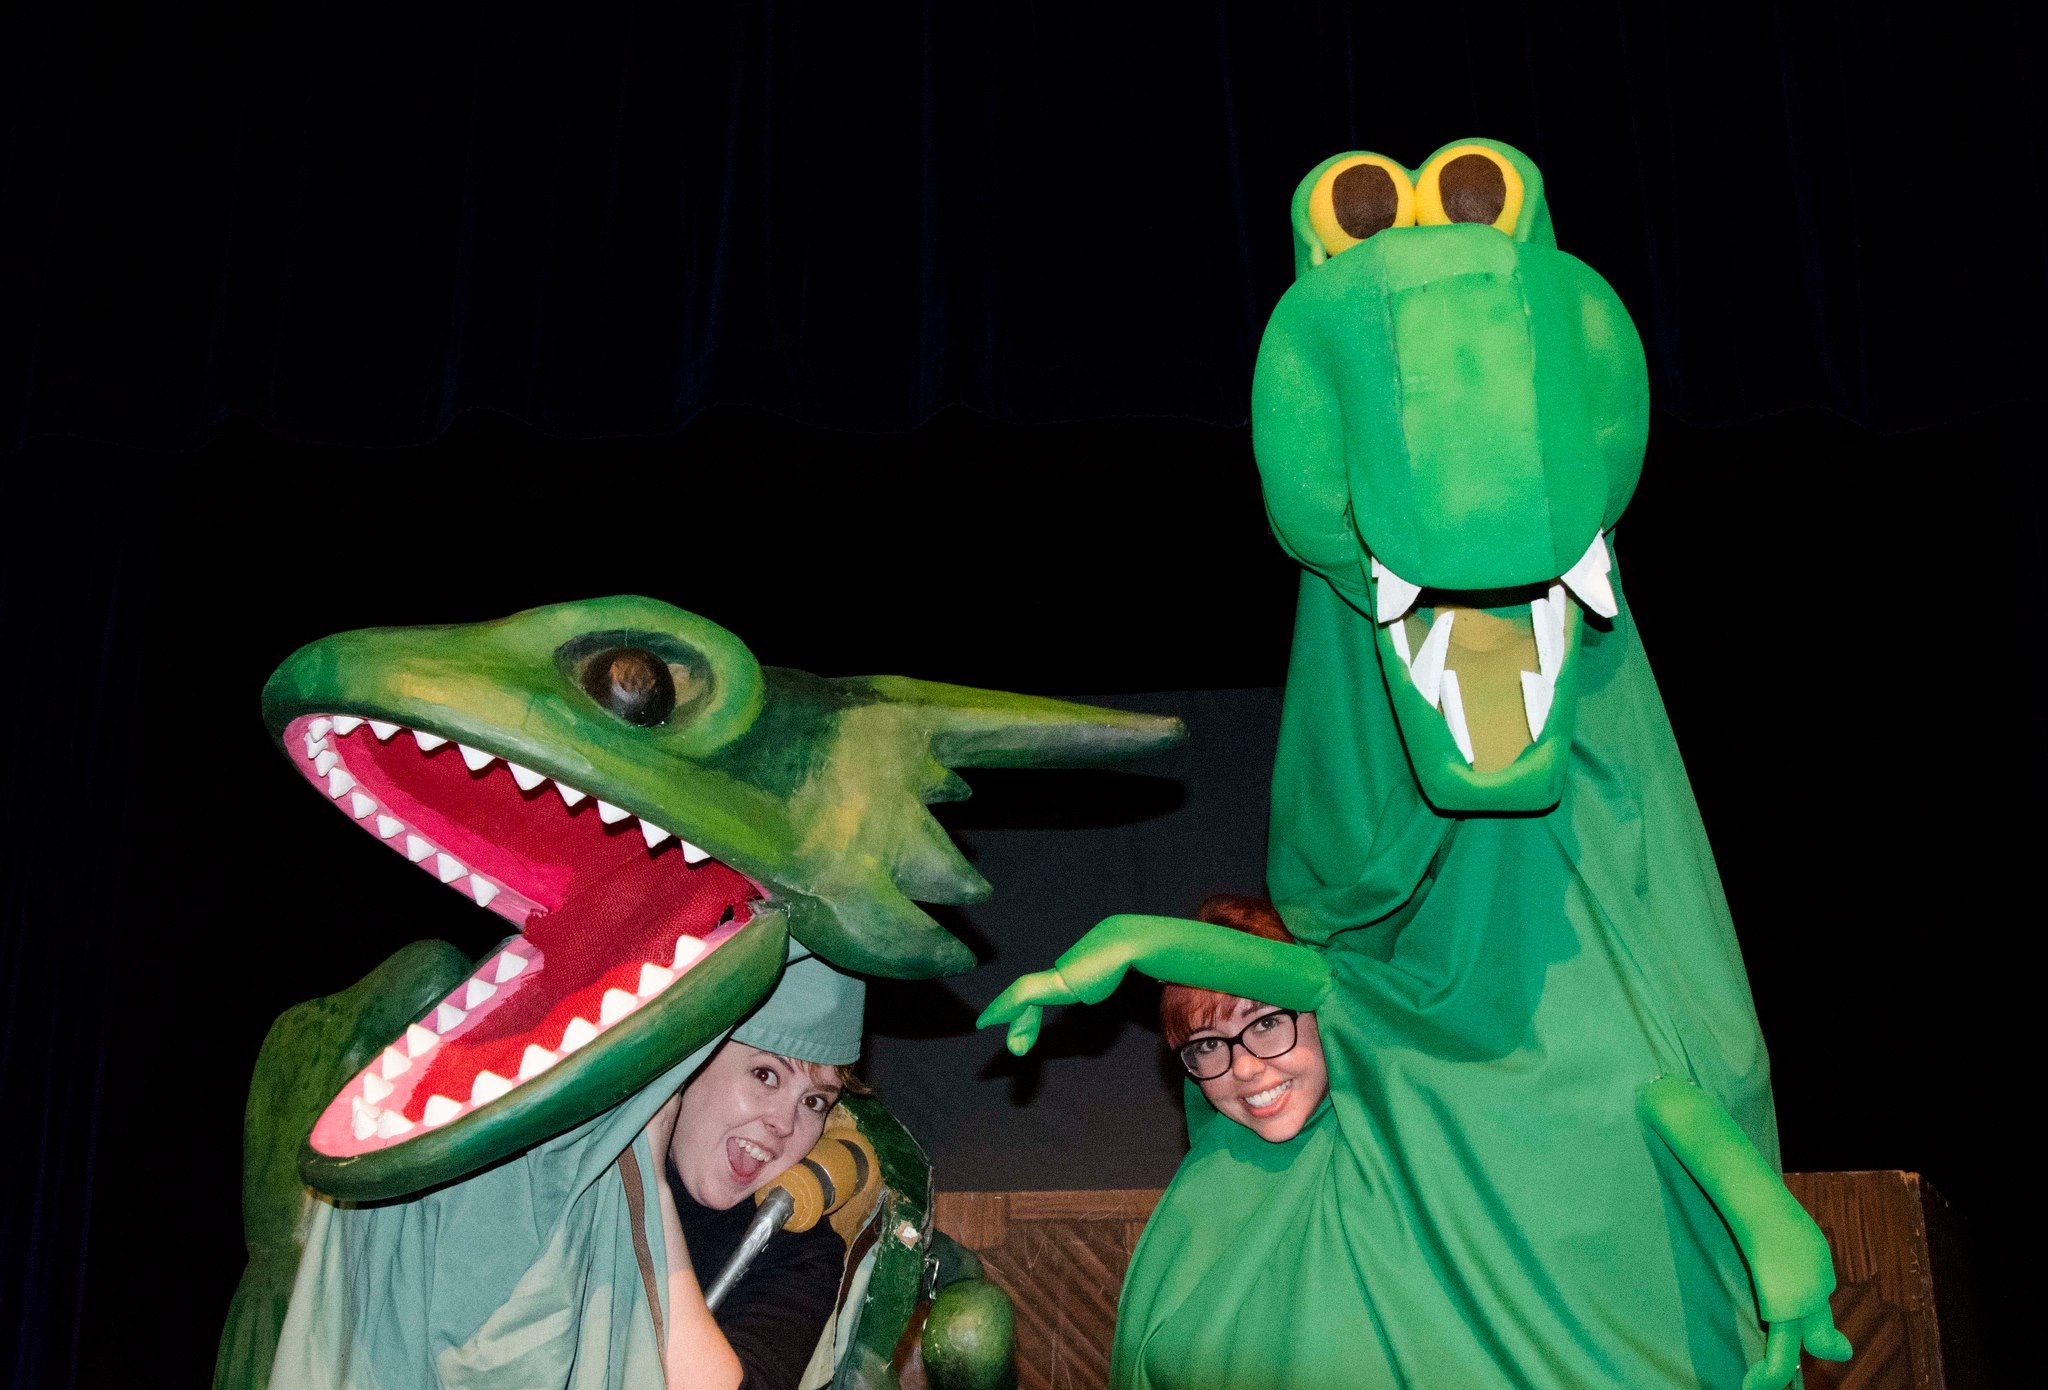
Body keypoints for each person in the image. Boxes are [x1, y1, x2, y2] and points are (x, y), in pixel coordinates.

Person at [644, 952, 868, 1390]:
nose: (784, 1125)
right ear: (691, 1062)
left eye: (814, 1102)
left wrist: (653, 1191)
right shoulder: (581, 1175)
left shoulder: (800, 1254)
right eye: (765, 1075)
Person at [1158, 894, 1329, 1144]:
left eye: (1266, 1023)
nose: (1244, 1069)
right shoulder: (1208, 1180)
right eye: (1209, 1045)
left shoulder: (1399, 1149)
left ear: (1324, 1016)